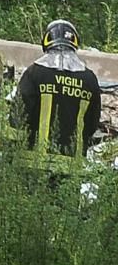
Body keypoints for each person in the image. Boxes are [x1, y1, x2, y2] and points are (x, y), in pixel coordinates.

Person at [10, 19, 102, 168]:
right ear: (74, 42)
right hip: (72, 168)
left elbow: (18, 116)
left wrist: (9, 155)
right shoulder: (89, 79)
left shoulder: (34, 73)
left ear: (47, 40)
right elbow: (92, 124)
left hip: (33, 165)